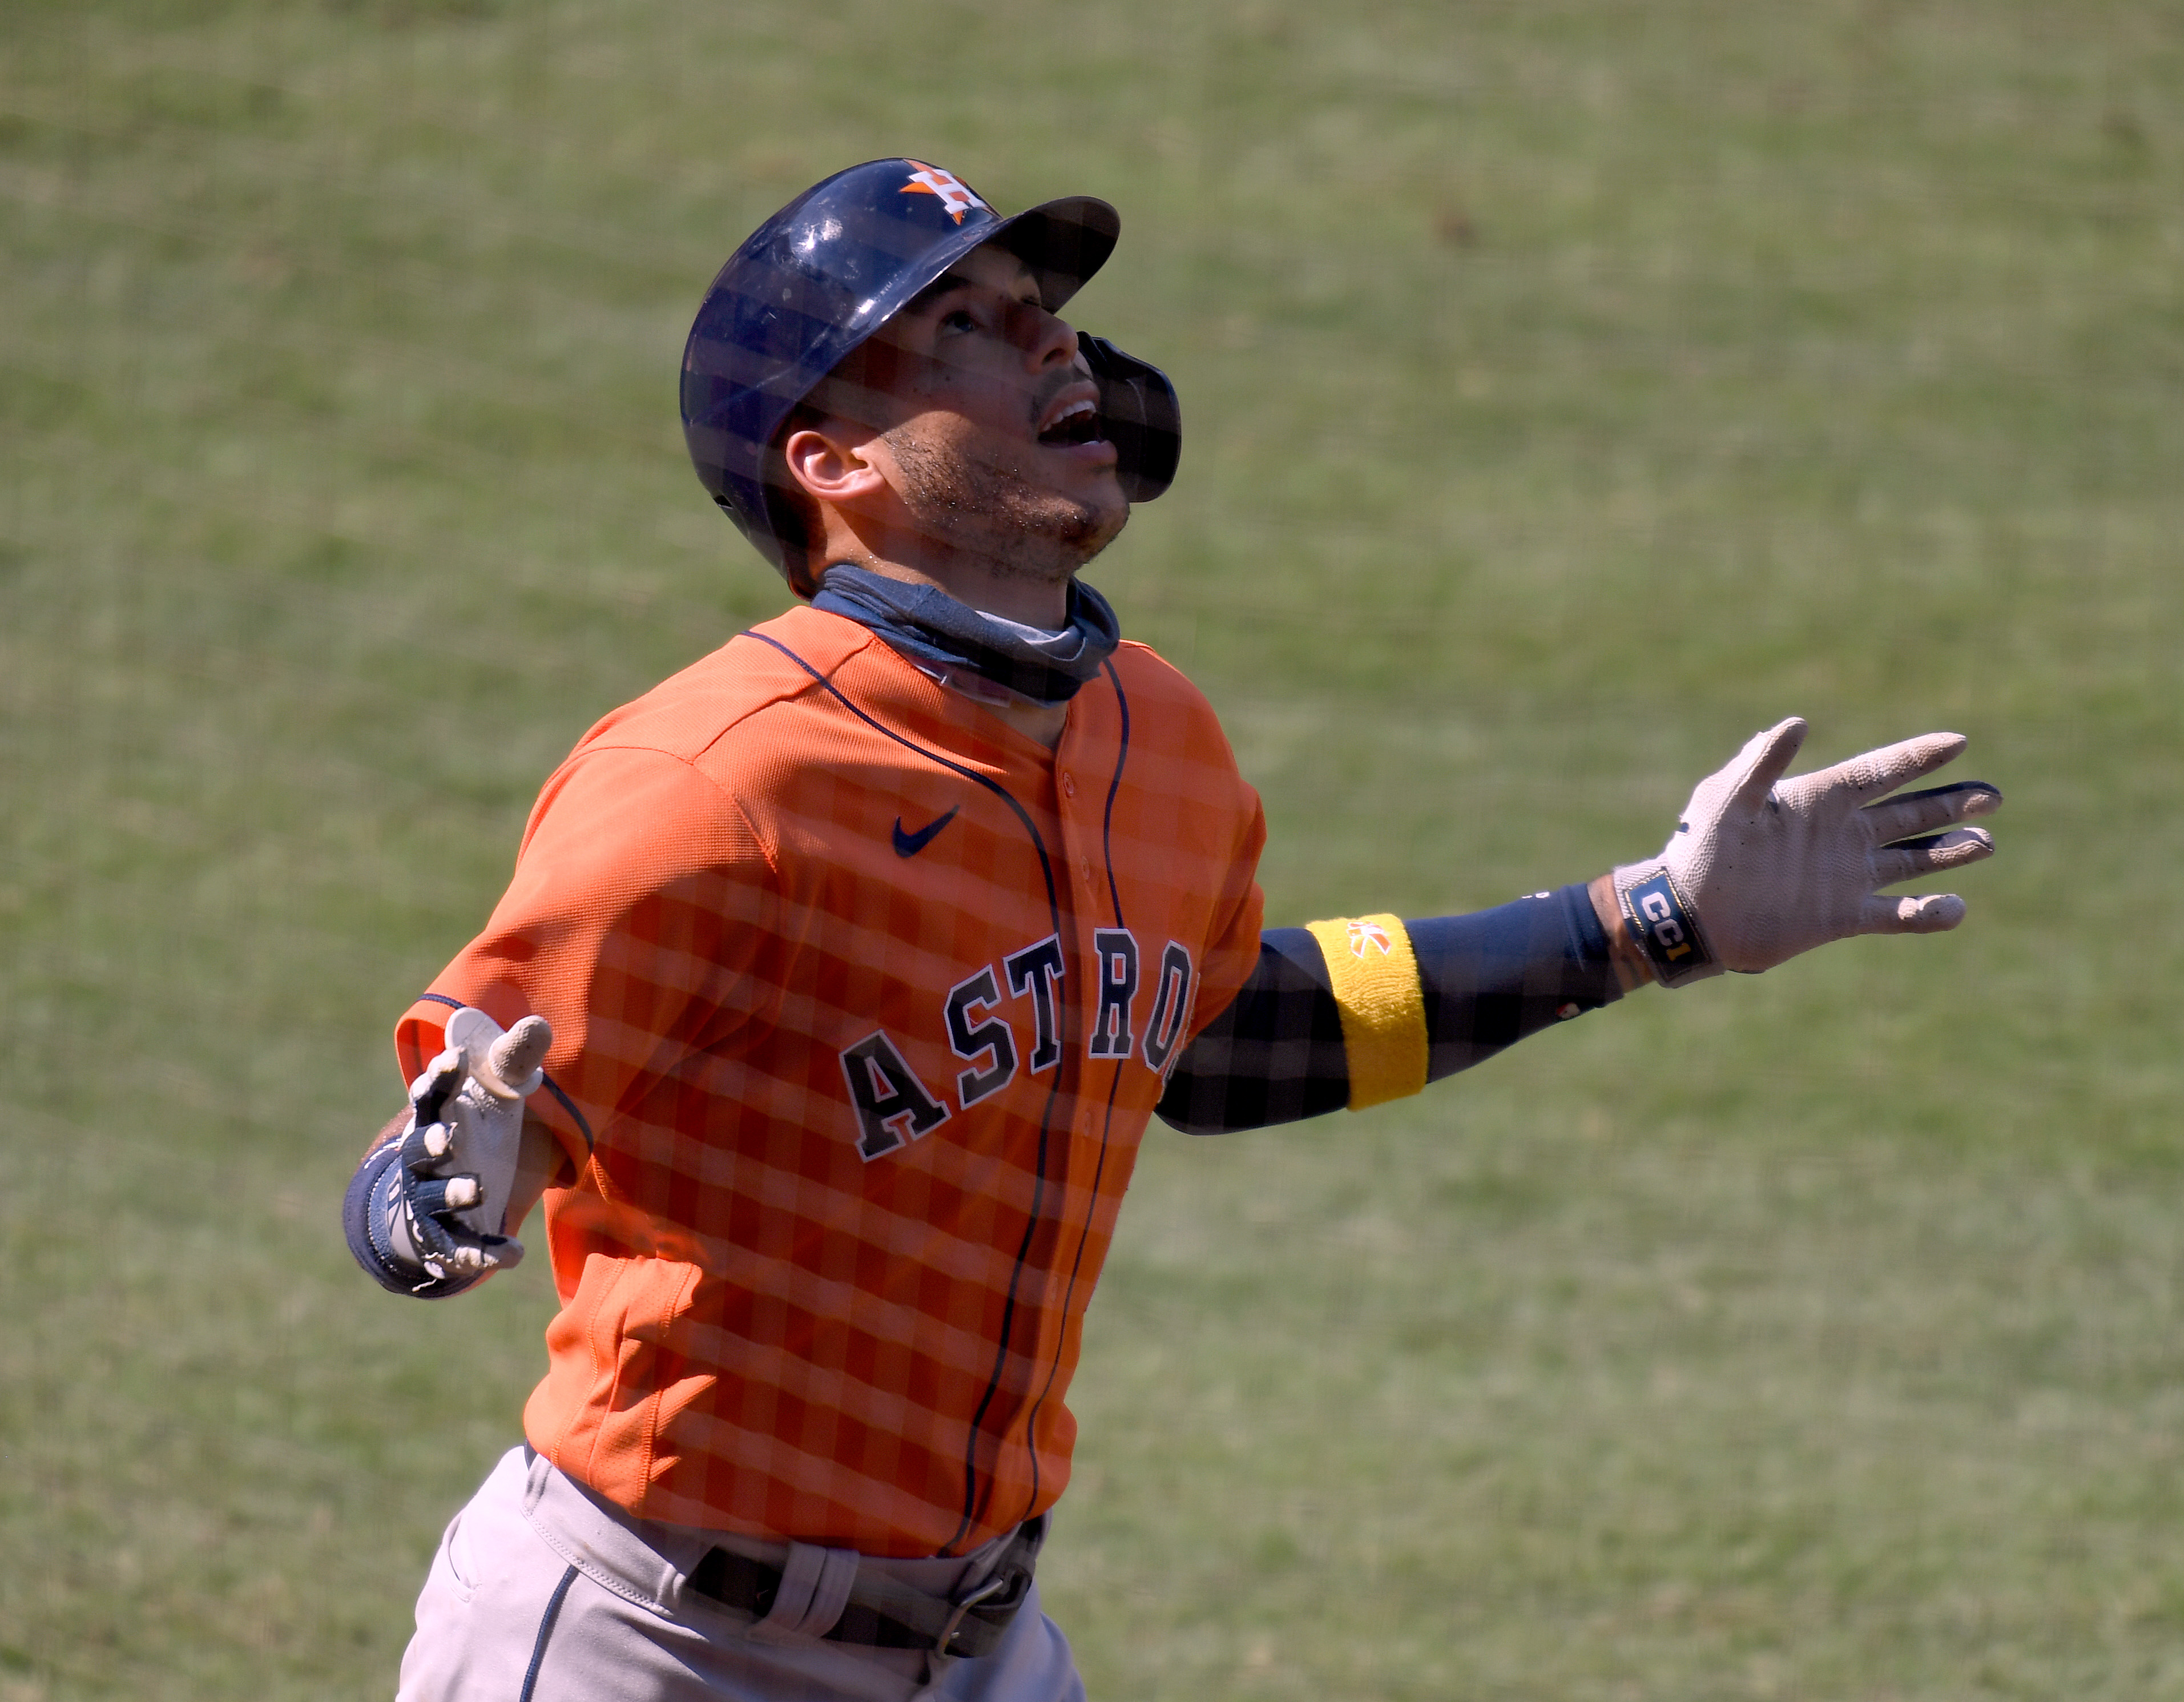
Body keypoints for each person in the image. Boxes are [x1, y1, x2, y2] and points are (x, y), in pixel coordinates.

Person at [342, 158, 2001, 1702]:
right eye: (965, 330)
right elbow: (463, 1130)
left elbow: (1211, 1039)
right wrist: (435, 1198)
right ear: (832, 462)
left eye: (1039, 307)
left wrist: (1650, 923)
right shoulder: (716, 780)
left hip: (981, 1649)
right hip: (655, 1644)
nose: (1052, 342)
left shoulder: (1156, 735)